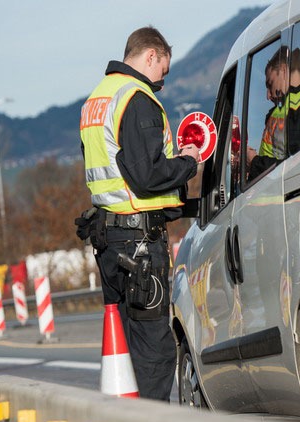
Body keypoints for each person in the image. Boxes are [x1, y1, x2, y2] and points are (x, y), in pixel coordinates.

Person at [78, 26, 200, 401]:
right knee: (154, 351)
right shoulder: (136, 98)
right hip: (139, 247)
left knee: (127, 346)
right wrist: (187, 163)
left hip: (111, 241)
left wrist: (184, 206)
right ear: (151, 56)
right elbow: (146, 175)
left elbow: (119, 178)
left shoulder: (97, 99)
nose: (161, 82)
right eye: (162, 70)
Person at [247, 45, 300, 180]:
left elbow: (297, 165)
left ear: (284, 70)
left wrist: (254, 162)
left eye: (270, 84)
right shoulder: (287, 107)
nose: (268, 95)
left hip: (295, 197)